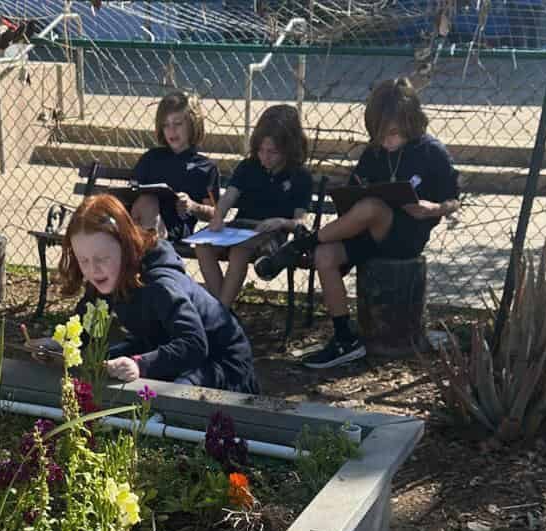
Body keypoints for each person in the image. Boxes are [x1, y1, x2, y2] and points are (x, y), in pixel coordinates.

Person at [256, 77, 460, 370]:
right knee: (326, 255)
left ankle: (301, 243)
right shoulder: (374, 152)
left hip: (406, 237)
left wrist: (434, 209)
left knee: (373, 207)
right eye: (379, 134)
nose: (386, 141)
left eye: (392, 133)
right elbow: (356, 191)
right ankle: (344, 338)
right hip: (367, 233)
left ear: (410, 121)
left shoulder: (431, 152)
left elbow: (455, 200)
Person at [47, 194, 258, 394]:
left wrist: (140, 364)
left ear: (126, 246)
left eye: (101, 258)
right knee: (99, 367)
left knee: (172, 396)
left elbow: (194, 344)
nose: (93, 269)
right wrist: (61, 344)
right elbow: (89, 327)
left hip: (221, 363)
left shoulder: (161, 285)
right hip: (164, 345)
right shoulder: (106, 277)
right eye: (84, 260)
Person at [194, 104, 313, 309]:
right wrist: (218, 216)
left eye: (272, 152)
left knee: (239, 251)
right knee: (202, 245)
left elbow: (301, 221)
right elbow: (229, 196)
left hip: (271, 232)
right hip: (240, 227)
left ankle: (219, 314)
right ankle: (222, 311)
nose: (264, 157)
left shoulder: (300, 176)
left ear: (289, 149)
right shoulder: (249, 167)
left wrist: (282, 222)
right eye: (260, 150)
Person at [130, 91, 220, 242]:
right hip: (138, 221)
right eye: (166, 125)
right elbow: (132, 190)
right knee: (146, 201)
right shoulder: (151, 158)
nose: (171, 131)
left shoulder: (205, 167)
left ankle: (148, 249)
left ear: (193, 124)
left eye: (178, 124)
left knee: (148, 204)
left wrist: (193, 206)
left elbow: (215, 214)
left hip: (174, 227)